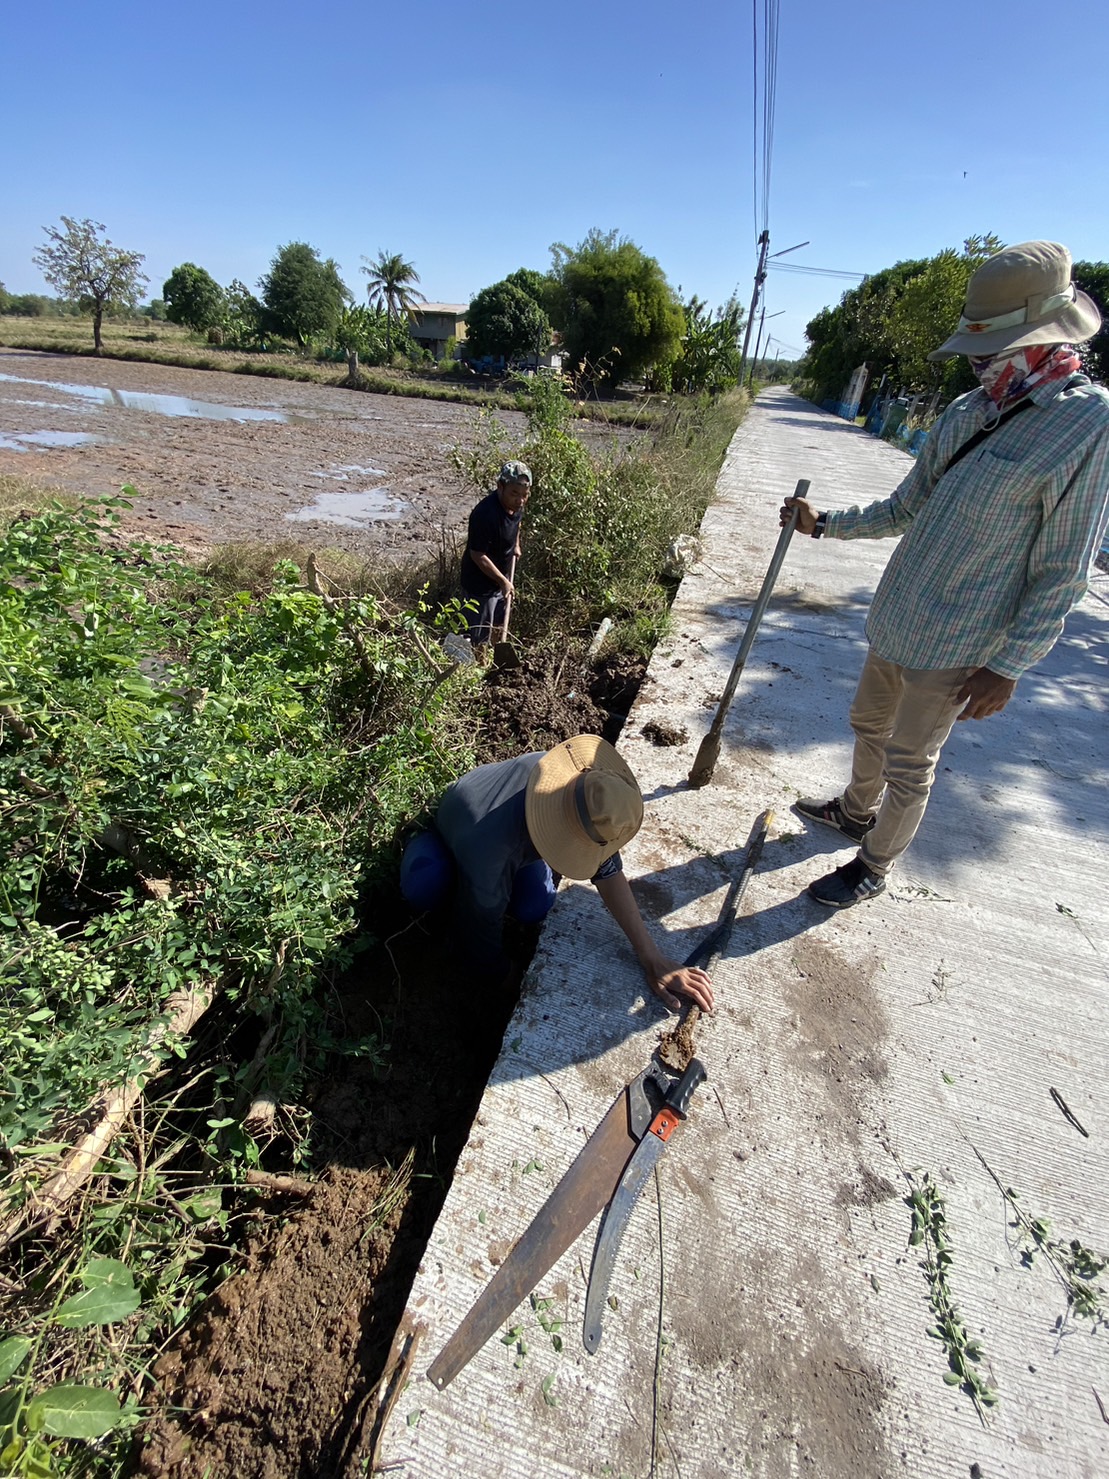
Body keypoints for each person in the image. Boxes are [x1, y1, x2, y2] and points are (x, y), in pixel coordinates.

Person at [781, 240, 1109, 908]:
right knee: (867, 724)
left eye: (995, 346)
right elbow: (903, 505)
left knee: (909, 762)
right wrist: (823, 525)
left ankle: (871, 866)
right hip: (896, 615)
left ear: (1045, 339)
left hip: (959, 643)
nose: (978, 360)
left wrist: (1010, 663)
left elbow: (1062, 568)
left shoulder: (1086, 425)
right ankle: (851, 809)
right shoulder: (967, 411)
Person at [400, 734, 715, 1013]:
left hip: (496, 836)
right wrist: (513, 982)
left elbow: (607, 868)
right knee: (424, 883)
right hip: (451, 837)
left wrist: (652, 957)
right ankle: (428, 867)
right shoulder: (493, 855)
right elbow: (480, 931)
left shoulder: (570, 786)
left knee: (535, 905)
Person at [461, 460, 531, 646]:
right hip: (481, 586)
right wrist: (503, 581)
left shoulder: (516, 506)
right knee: (480, 635)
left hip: (502, 580)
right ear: (500, 487)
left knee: (499, 624)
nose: (520, 500)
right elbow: (477, 555)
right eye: (514, 494)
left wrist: (516, 544)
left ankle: (494, 656)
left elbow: (517, 522)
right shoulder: (485, 514)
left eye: (525, 495)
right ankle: (479, 665)